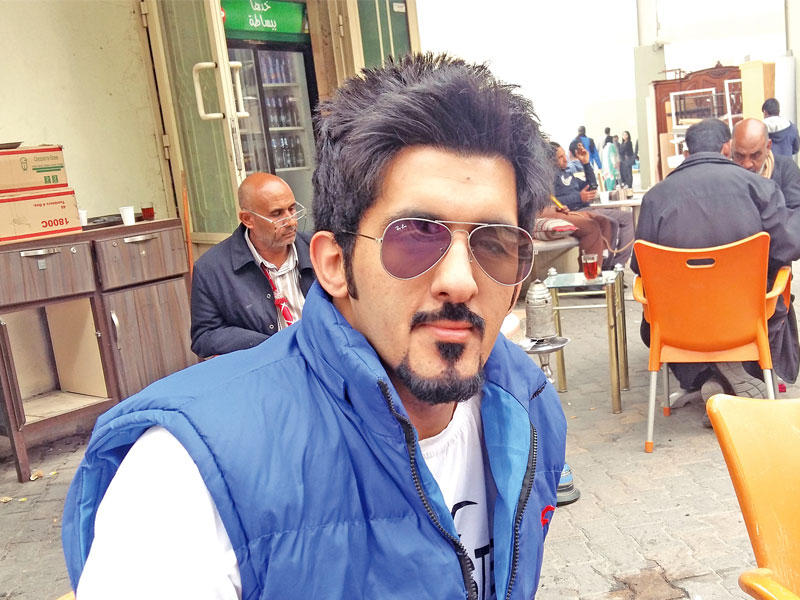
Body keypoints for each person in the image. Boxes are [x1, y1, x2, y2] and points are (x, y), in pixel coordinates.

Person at [61, 54, 567, 600]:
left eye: (495, 244)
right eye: (415, 235)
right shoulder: (187, 479)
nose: (460, 282)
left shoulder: (527, 404)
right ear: (334, 264)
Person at [633, 118, 800, 410]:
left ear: (686, 153)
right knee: (776, 285)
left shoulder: (655, 198)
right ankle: (731, 381)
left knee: (664, 302)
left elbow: (639, 266)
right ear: (727, 148)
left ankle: (711, 379)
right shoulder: (760, 188)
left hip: (677, 324)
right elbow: (789, 246)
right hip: (745, 319)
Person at [189, 173, 315, 358]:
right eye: (277, 214)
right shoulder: (211, 269)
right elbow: (204, 336)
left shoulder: (319, 249)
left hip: (323, 357)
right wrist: (268, 344)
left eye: (292, 209)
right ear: (247, 219)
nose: (291, 221)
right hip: (266, 363)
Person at [553, 142, 635, 267]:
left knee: (627, 218)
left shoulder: (568, 173)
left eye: (565, 155)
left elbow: (592, 186)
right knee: (611, 223)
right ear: (550, 161)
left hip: (586, 208)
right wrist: (579, 197)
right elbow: (550, 202)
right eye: (560, 157)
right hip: (573, 213)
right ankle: (608, 268)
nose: (565, 159)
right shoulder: (549, 178)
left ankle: (616, 265)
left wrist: (586, 164)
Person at [732, 118, 800, 208]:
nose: (747, 164)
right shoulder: (726, 175)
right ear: (731, 147)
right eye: (739, 156)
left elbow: (796, 211)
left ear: (768, 147)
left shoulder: (785, 169)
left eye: (755, 155)